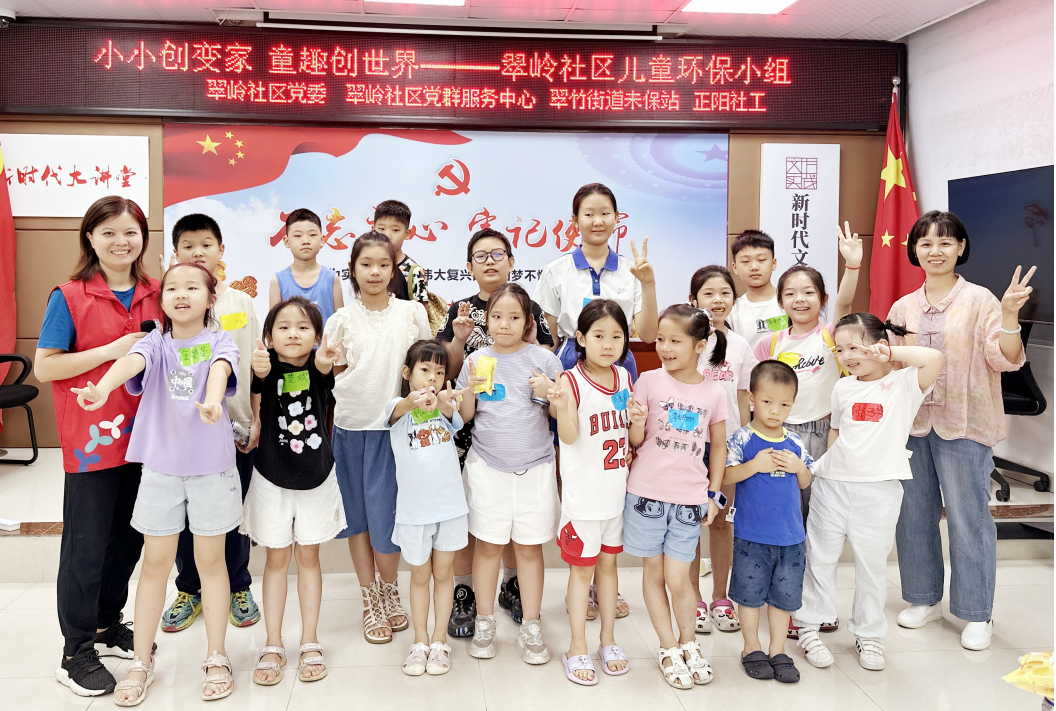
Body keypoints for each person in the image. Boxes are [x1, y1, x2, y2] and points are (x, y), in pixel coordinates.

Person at [73, 262, 242, 704]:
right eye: (172, 288)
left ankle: (217, 656)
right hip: (161, 471)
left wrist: (212, 402)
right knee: (154, 563)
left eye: (192, 287)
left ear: (211, 298)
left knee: (211, 563)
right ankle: (141, 661)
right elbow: (131, 361)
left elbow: (221, 370)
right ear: (161, 299)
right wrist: (102, 388)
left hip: (211, 470)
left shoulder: (221, 341)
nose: (181, 294)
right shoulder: (155, 342)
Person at [887, 211, 1034, 652]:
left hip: (966, 424)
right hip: (913, 426)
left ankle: (976, 612)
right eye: (926, 243)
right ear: (914, 250)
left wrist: (1009, 316)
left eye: (945, 243)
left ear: (961, 248)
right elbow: (892, 365)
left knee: (969, 520)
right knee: (913, 516)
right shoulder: (903, 307)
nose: (935, 251)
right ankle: (923, 598)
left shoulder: (981, 300)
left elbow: (1004, 359)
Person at [36, 196, 161, 697]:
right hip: (91, 440)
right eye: (108, 232)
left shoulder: (157, 292)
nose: (120, 242)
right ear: (90, 237)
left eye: (130, 232)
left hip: (147, 439)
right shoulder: (69, 296)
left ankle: (108, 623)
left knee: (128, 541)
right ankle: (76, 651)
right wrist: (111, 350)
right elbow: (45, 366)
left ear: (143, 238)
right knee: (86, 548)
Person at [794, 313, 943, 672]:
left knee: (872, 567)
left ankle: (869, 635)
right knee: (820, 559)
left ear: (879, 345)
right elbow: (836, 431)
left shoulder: (904, 383)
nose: (847, 356)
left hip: (879, 491)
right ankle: (809, 627)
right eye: (841, 349)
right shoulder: (843, 387)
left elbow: (935, 358)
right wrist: (831, 465)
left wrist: (889, 354)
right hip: (832, 487)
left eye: (855, 347)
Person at [436, 227, 555, 637]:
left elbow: (546, 371)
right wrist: (460, 342)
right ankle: (466, 595)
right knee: (479, 524)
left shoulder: (532, 309)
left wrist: (545, 386)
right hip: (474, 438)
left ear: (511, 260)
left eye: (497, 253)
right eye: (480, 255)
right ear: (469, 266)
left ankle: (514, 587)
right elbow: (448, 370)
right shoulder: (459, 310)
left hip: (525, 440)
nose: (489, 261)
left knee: (521, 529)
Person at [323, 231, 431, 644]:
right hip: (351, 428)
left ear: (394, 268)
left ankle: (390, 589)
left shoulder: (412, 312)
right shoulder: (341, 319)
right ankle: (370, 597)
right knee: (358, 520)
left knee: (388, 519)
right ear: (352, 269)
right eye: (365, 264)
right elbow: (333, 374)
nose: (374, 272)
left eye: (383, 264)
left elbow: (424, 368)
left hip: (397, 429)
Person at [161, 213, 262, 634]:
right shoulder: (171, 302)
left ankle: (238, 585)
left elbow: (257, 364)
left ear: (221, 250)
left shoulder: (241, 303)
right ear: (175, 253)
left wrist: (256, 418)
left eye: (206, 244)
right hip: (183, 434)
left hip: (234, 429)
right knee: (186, 515)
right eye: (188, 245)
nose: (198, 252)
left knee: (233, 513)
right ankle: (190, 589)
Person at [455, 283, 563, 665]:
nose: (504, 324)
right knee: (487, 546)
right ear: (487, 319)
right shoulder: (476, 361)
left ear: (527, 321)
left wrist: (550, 391)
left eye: (514, 317)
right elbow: (465, 416)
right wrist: (468, 390)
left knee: (530, 549)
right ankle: (485, 623)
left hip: (536, 467)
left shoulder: (545, 360)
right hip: (487, 467)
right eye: (497, 316)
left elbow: (558, 415)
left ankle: (531, 625)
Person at [243, 297, 346, 686]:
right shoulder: (265, 367)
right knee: (275, 559)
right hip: (271, 478)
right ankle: (272, 644)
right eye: (283, 327)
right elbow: (259, 380)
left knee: (308, 557)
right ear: (269, 337)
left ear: (317, 336)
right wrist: (259, 369)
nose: (293, 333)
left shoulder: (319, 366)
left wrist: (326, 360)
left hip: (317, 478)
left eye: (303, 327)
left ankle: (309, 641)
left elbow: (323, 371)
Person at [624, 304, 727, 690]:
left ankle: (689, 643)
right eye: (661, 339)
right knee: (654, 574)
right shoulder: (649, 381)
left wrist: (714, 493)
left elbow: (719, 446)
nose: (665, 348)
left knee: (678, 578)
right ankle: (668, 647)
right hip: (645, 495)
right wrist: (635, 423)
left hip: (689, 499)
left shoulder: (714, 391)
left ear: (699, 345)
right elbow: (636, 441)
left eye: (675, 341)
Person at [548, 300, 633, 686]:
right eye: (599, 336)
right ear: (581, 338)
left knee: (609, 569)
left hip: (615, 496)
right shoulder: (571, 380)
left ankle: (608, 640)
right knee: (582, 572)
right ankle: (577, 646)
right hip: (583, 500)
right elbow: (568, 437)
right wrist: (562, 407)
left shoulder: (625, 377)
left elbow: (632, 436)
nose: (608, 344)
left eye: (616, 336)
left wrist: (638, 424)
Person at [724, 360, 816, 685]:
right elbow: (726, 475)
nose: (776, 411)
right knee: (749, 596)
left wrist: (798, 467)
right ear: (751, 398)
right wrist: (755, 465)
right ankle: (751, 648)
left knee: (783, 598)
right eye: (767, 401)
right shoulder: (742, 438)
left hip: (791, 538)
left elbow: (806, 481)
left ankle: (778, 650)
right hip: (752, 536)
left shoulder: (795, 442)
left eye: (784, 404)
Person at [387, 340, 471, 677]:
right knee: (420, 576)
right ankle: (419, 641)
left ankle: (439, 641)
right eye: (425, 370)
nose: (432, 378)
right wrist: (414, 400)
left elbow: (456, 415)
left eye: (439, 372)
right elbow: (400, 408)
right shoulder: (398, 409)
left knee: (443, 574)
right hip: (413, 512)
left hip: (450, 508)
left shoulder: (444, 408)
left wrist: (451, 400)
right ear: (407, 373)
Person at [687, 265, 756, 635]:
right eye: (709, 293)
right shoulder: (687, 340)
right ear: (693, 299)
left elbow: (742, 398)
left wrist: (743, 440)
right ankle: (693, 599)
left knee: (721, 522)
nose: (717, 300)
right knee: (688, 524)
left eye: (725, 293)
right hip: (687, 448)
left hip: (727, 448)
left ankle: (720, 597)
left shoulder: (741, 345)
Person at [535, 182, 658, 381]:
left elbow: (649, 336)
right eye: (589, 214)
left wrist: (648, 284)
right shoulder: (556, 271)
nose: (598, 221)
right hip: (570, 364)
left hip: (618, 363)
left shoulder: (632, 271)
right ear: (575, 221)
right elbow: (550, 340)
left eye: (605, 213)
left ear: (616, 217)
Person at [269, 208, 344, 324]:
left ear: (322, 240)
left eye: (312, 235)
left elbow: (341, 325)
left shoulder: (332, 278)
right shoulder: (278, 281)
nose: (306, 241)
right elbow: (274, 325)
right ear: (286, 241)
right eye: (298, 235)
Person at [727, 230, 787, 352]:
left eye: (761, 260)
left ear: (773, 263)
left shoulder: (788, 302)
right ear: (735, 267)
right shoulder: (732, 310)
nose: (754, 267)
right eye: (745, 261)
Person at [373, 199, 428, 306]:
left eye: (395, 230)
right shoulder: (367, 266)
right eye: (382, 229)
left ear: (407, 234)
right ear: (373, 230)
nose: (387, 235)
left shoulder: (414, 272)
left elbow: (421, 313)